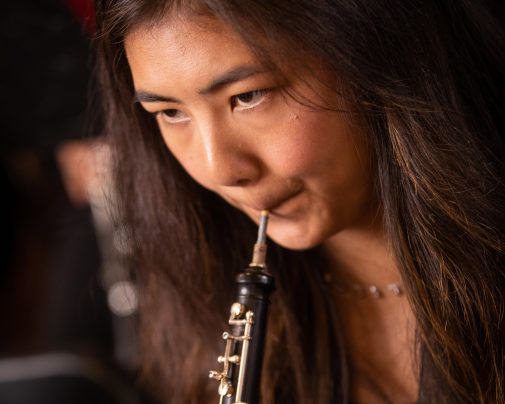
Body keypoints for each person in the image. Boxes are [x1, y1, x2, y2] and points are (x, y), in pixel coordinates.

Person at [93, 0, 505, 403]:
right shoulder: (198, 308)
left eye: (249, 95)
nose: (218, 170)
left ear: (371, 57)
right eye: (170, 112)